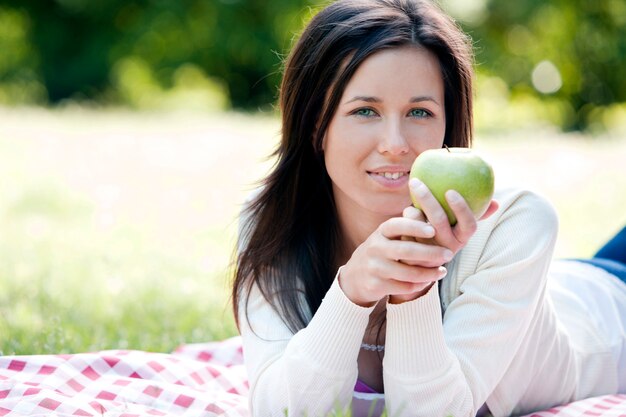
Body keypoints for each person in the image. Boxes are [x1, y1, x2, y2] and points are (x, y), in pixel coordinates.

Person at [231, 1, 626, 416]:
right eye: (365, 110)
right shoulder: (273, 224)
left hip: (610, 306)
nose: (396, 143)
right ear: (316, 125)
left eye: (420, 112)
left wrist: (412, 286)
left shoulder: (512, 221)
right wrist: (351, 292)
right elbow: (282, 410)